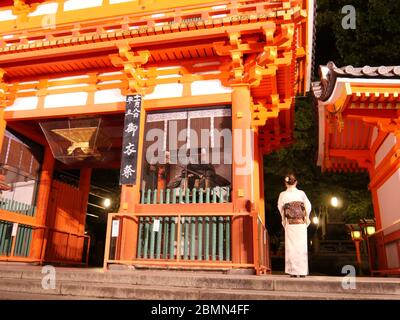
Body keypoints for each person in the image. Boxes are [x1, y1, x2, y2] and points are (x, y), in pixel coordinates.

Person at [277, 173, 311, 278]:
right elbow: (308, 207)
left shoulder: (283, 194)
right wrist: (307, 218)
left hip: (290, 223)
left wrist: (284, 219)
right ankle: (302, 271)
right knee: (301, 246)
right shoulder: (301, 193)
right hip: (300, 223)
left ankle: (293, 271)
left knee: (291, 247)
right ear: (296, 182)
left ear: (285, 183)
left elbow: (280, 208)